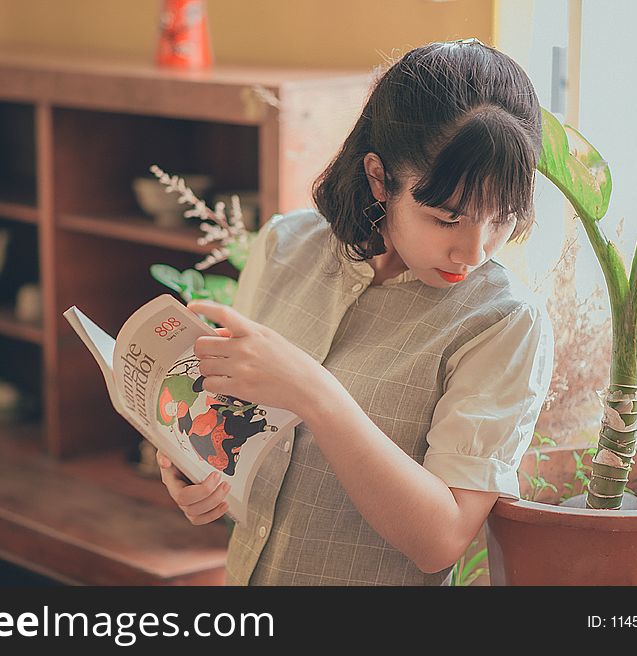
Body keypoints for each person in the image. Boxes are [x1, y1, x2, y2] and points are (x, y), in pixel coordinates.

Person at [157, 39, 554, 585]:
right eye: (446, 217)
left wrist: (315, 394)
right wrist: (188, 466)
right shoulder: (285, 247)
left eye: (502, 218)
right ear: (378, 176)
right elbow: (233, 434)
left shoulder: (502, 322)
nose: (476, 250)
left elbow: (441, 540)